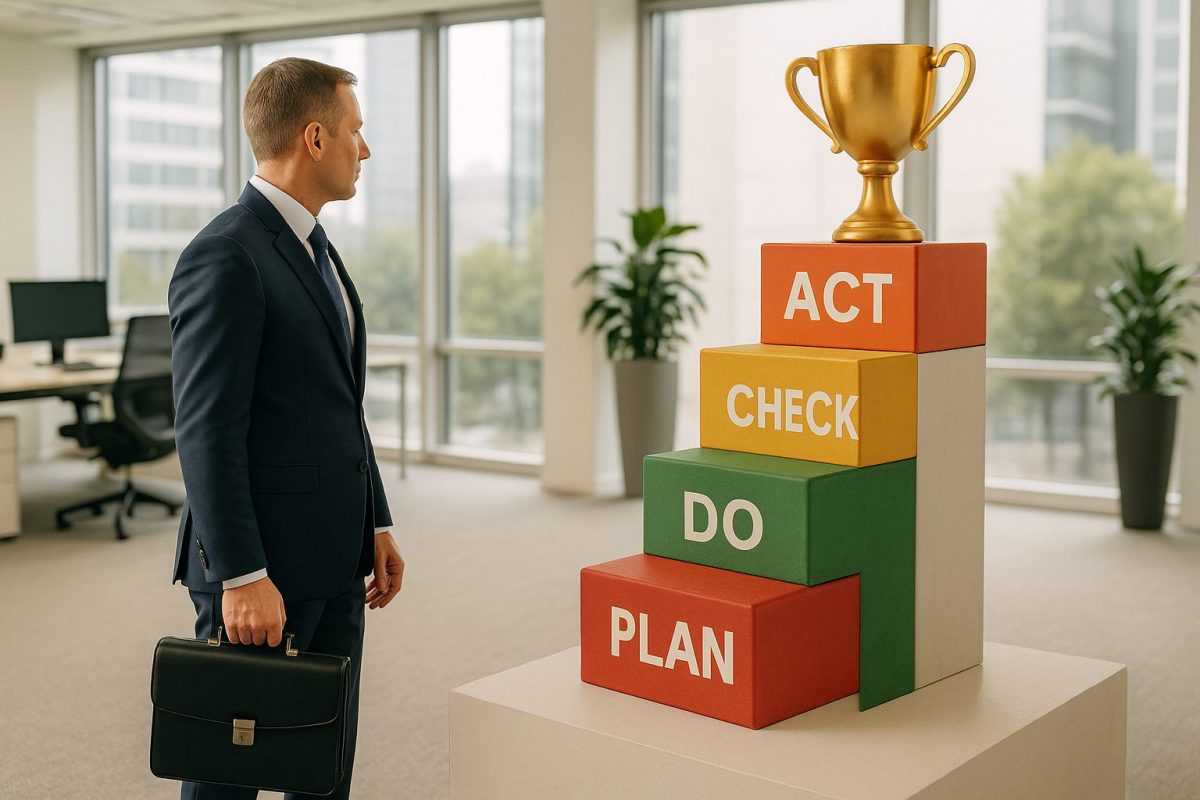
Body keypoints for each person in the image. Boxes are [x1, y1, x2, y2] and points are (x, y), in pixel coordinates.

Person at [167, 57, 405, 799]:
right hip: (259, 574)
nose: (364, 149)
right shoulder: (227, 254)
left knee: (321, 767)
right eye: (355, 132)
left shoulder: (318, 251)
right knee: (229, 780)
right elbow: (206, 430)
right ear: (314, 138)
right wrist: (242, 576)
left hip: (336, 562)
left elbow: (336, 403)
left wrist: (378, 522)